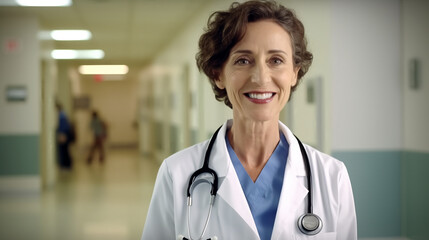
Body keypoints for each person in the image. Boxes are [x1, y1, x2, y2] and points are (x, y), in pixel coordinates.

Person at [142, 1, 357, 239]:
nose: (260, 78)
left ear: (294, 73)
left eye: (276, 60)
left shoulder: (331, 176)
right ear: (218, 74)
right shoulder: (177, 173)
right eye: (243, 60)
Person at [56, 103, 73, 169]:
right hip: (65, 133)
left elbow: (63, 127)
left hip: (64, 134)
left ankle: (66, 165)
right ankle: (66, 165)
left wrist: (62, 135)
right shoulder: (63, 114)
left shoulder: (61, 115)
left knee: (64, 150)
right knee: (65, 150)